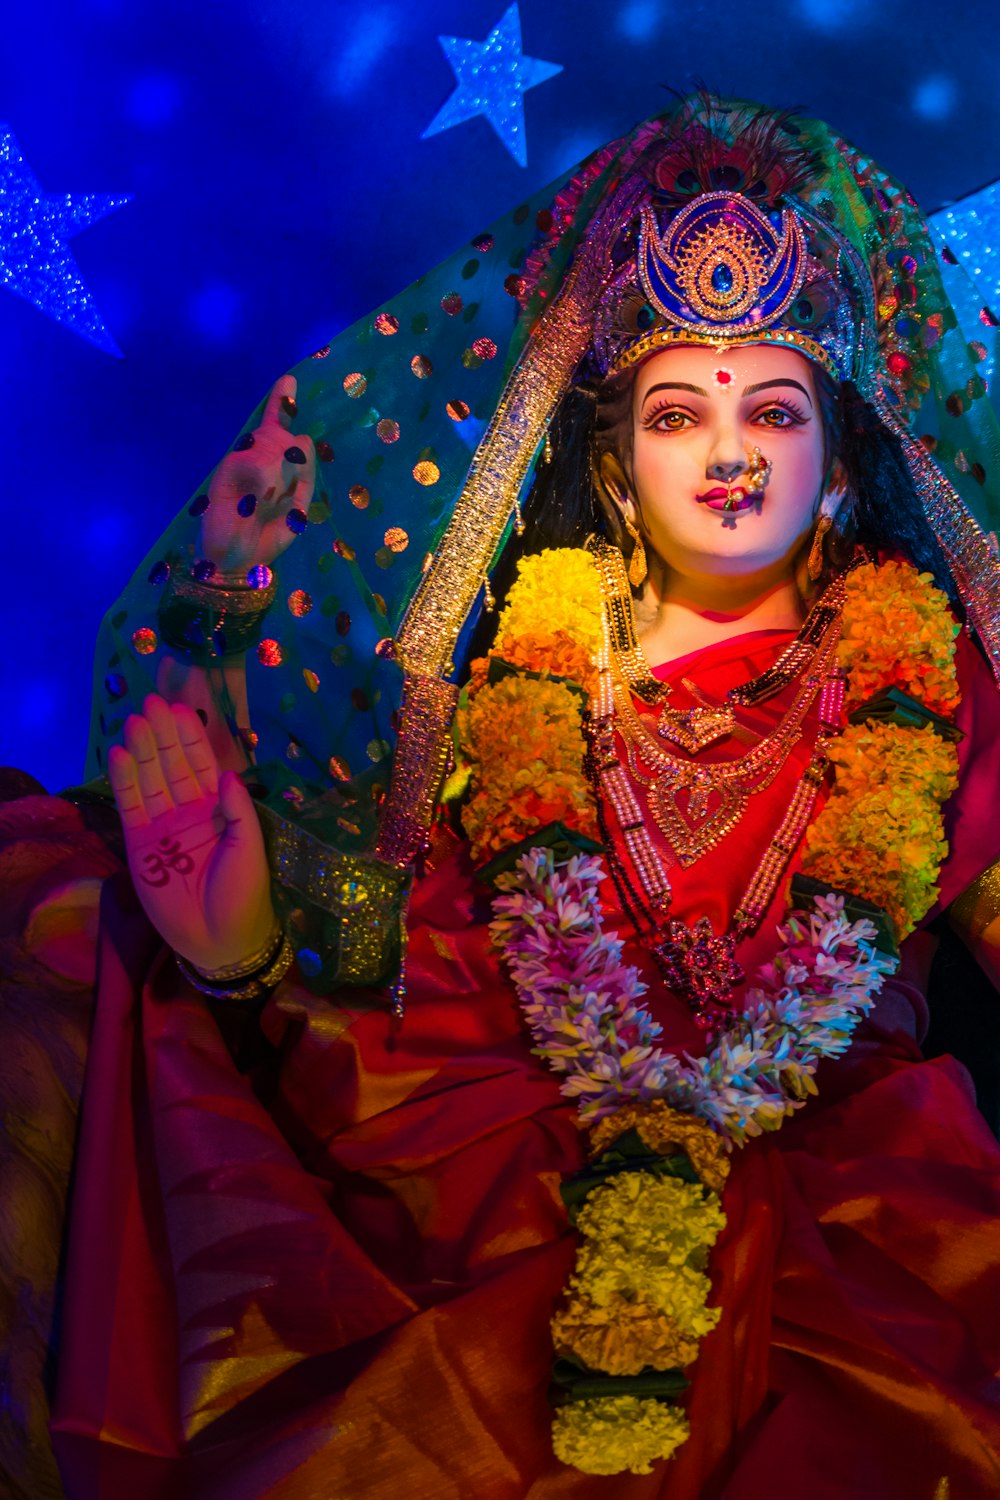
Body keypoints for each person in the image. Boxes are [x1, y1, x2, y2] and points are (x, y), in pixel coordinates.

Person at [5, 92, 1000, 1499]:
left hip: (850, 1195)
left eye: (774, 408)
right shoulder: (495, 674)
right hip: (491, 1161)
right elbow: (389, 964)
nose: (730, 450)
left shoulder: (949, 686)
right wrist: (240, 955)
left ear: (841, 467)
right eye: (677, 410)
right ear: (613, 461)